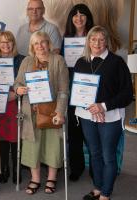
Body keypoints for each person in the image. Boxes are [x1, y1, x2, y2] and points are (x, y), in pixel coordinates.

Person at [73, 26, 133, 200]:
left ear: (106, 41)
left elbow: (127, 94)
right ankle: (98, 188)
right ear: (88, 41)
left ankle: (106, 194)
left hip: (110, 116)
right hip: (86, 115)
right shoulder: (81, 62)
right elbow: (77, 91)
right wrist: (90, 107)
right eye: (93, 39)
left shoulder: (117, 62)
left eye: (101, 39)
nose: (97, 43)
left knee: (108, 155)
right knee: (94, 153)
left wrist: (103, 106)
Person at [14, 31, 69, 195]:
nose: (40, 46)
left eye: (43, 42)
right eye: (36, 43)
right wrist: (19, 89)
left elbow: (63, 90)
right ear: (32, 46)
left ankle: (52, 178)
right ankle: (35, 178)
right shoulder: (27, 61)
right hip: (31, 112)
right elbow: (17, 83)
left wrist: (60, 112)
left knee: (52, 145)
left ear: (49, 43)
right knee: (33, 146)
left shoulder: (58, 60)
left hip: (52, 112)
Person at [0, 31, 25, 184]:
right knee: (1, 139)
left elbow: (26, 80)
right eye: (2, 42)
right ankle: (4, 169)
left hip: (16, 103)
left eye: (9, 42)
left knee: (15, 139)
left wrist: (16, 94)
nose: (6, 45)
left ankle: (16, 170)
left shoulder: (21, 60)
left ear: (13, 43)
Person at [62, 3, 94, 182]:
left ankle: (95, 168)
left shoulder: (94, 37)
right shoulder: (66, 38)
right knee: (74, 132)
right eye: (75, 14)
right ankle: (77, 166)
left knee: (91, 131)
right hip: (72, 91)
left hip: (90, 90)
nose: (79, 18)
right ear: (71, 18)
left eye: (82, 14)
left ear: (88, 18)